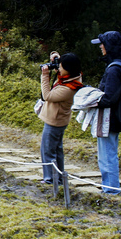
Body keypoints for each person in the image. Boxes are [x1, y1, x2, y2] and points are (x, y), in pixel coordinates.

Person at [38, 51, 83, 185]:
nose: (58, 69)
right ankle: (58, 178)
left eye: (61, 67)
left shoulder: (68, 89)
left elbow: (47, 95)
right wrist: (56, 59)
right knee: (56, 150)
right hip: (59, 120)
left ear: (68, 69)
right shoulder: (72, 78)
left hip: (55, 122)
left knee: (48, 150)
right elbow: (62, 75)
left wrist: (45, 75)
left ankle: (50, 179)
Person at [91, 31, 121, 194]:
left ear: (109, 46)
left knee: (107, 155)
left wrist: (91, 100)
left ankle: (111, 189)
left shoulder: (114, 69)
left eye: (102, 44)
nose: (100, 47)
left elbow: (109, 98)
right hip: (116, 116)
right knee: (108, 153)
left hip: (109, 118)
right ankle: (109, 186)